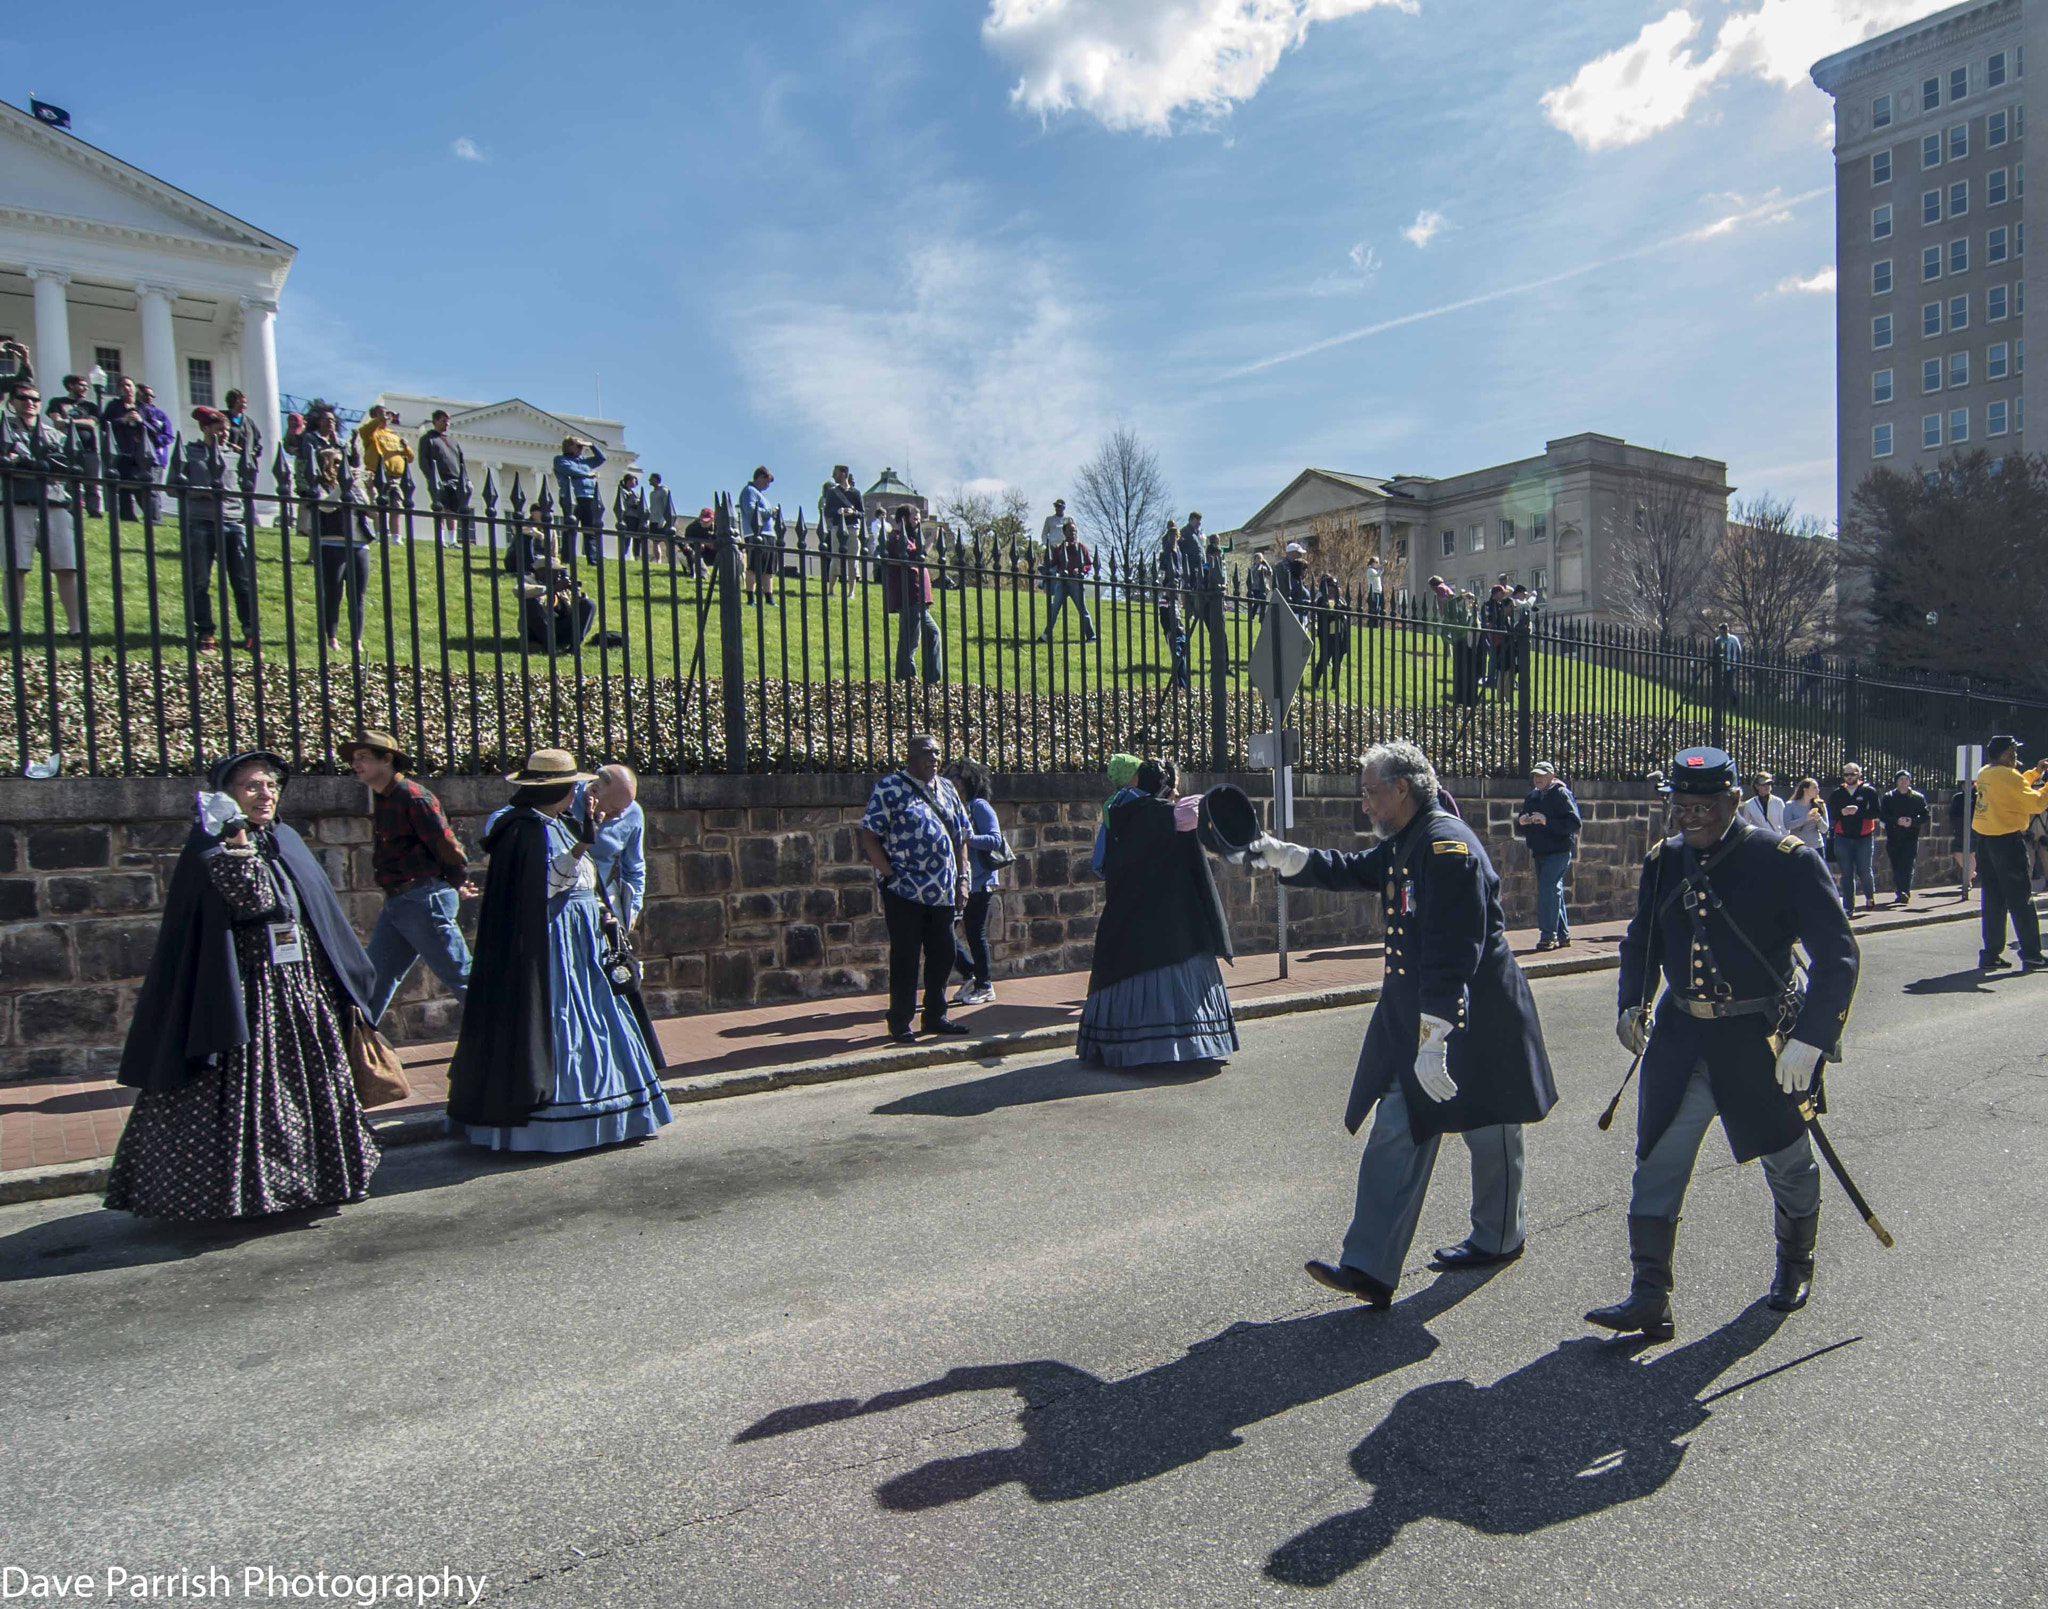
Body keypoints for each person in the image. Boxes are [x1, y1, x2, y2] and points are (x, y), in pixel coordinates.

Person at [1246, 740, 1557, 1306]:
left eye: (1369, 791)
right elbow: (1352, 869)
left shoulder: (1445, 848)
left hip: (1474, 1016)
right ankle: (1368, 1264)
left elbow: (1453, 948)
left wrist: (1435, 1037)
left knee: (1491, 1129)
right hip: (1429, 1012)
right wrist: (1279, 855)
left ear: (1401, 789)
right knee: (1400, 1122)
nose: (1363, 803)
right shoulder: (1407, 841)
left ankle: (1500, 1236)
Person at [1588, 746, 1859, 1338]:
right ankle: (1648, 1293)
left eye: (1704, 806)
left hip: (1760, 1038)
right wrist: (1631, 1003)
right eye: (1681, 806)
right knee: (1657, 1160)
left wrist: (1812, 1039)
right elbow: (1643, 942)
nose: (1691, 818)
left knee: (1787, 1157)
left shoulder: (1785, 859)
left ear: (1735, 800)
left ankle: (1794, 1265)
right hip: (1683, 1036)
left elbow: (1838, 954)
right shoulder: (1666, 860)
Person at [105, 750, 381, 1220]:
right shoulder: (212, 845)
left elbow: (312, 911)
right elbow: (253, 904)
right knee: (251, 1095)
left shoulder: (284, 838)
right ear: (226, 797)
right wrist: (235, 846)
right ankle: (243, 1194)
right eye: (251, 787)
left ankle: (309, 1183)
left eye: (270, 786)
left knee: (306, 1089)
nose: (265, 794)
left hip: (298, 986)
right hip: (245, 991)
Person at [447, 750, 674, 1152]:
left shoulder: (560, 823)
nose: (576, 794)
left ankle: (614, 1108)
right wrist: (582, 845)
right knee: (560, 1018)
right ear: (557, 790)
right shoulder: (520, 828)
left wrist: (607, 914)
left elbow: (590, 881)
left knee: (601, 1017)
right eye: (571, 787)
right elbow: (544, 885)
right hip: (551, 942)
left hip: (584, 939)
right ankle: (558, 1117)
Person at [1079, 758, 1238, 1068]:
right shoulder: (1164, 814)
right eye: (1174, 787)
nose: (1177, 793)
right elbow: (1200, 810)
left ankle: (1116, 1043)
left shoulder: (1117, 811)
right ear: (1165, 787)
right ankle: (1174, 1045)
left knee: (1123, 970)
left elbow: (1102, 863)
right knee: (1174, 972)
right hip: (1169, 918)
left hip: (1125, 912)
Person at [344, 730, 479, 1027]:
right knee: (374, 980)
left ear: (387, 759)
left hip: (423, 898)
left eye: (363, 758)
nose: (356, 764)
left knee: (462, 978)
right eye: (354, 759)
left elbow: (446, 844)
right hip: (400, 902)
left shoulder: (413, 797)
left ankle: (507, 1045)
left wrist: (457, 881)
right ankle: (358, 1049)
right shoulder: (383, 798)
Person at [860, 733, 972, 1043]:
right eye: (926, 753)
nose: (934, 758)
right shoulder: (890, 789)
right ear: (910, 757)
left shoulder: (948, 789)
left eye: (937, 753)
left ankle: (935, 1015)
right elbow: (869, 835)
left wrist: (963, 879)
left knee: (944, 953)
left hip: (943, 892)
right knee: (906, 957)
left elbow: (962, 836)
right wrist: (889, 874)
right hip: (905, 892)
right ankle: (900, 1021)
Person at [0, 376, 83, 637]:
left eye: (35, 399)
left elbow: (65, 463)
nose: (30, 403)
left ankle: (75, 628)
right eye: (23, 398)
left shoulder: (53, 433)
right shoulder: (5, 430)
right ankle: (15, 627)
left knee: (66, 567)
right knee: (16, 567)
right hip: (17, 502)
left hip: (54, 503)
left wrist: (27, 461)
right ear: (12, 402)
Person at [174, 407, 257, 653]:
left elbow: (246, 487)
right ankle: (206, 631)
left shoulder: (235, 455)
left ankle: (251, 632)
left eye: (227, 430)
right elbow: (173, 487)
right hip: (201, 522)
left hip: (232, 522)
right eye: (219, 429)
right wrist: (204, 491)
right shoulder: (189, 453)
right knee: (200, 581)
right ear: (205, 428)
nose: (224, 434)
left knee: (242, 580)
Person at [1971, 735, 2048, 973]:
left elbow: (2012, 789)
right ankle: (2032, 954)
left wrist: (2035, 773)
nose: (2016, 756)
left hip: (1986, 841)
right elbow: (2035, 803)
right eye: (2013, 751)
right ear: (2005, 754)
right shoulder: (2009, 776)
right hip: (2007, 842)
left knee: (1993, 899)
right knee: (2021, 900)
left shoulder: (1986, 772)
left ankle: (1991, 954)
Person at [944, 758, 1005, 1007]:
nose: (953, 781)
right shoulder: (952, 806)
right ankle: (971, 973)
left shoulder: (978, 806)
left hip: (980, 881)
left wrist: (968, 838)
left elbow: (995, 839)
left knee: (975, 933)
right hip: (960, 879)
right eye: (950, 776)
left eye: (958, 776)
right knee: (944, 930)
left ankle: (984, 984)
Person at [307, 443, 373, 653]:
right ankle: (332, 638)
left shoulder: (354, 487)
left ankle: (357, 640)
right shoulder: (317, 484)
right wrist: (341, 487)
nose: (340, 466)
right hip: (332, 543)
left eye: (342, 462)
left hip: (359, 543)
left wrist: (368, 489)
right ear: (325, 464)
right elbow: (326, 506)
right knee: (333, 593)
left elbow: (373, 514)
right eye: (336, 462)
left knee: (358, 596)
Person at [1517, 762, 1581, 950]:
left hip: (1558, 851)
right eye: (1535, 775)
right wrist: (1522, 822)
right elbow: (1522, 823)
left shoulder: (1561, 794)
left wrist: (1547, 821)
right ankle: (1562, 935)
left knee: (1548, 889)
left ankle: (1548, 936)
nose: (1538, 778)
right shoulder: (1532, 796)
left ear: (1552, 776)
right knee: (1553, 891)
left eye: (1542, 775)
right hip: (1540, 851)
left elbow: (1574, 823)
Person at [578, 764, 645, 933]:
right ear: (593, 790)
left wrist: (633, 908)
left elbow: (634, 866)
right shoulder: (566, 799)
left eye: (625, 808)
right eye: (614, 809)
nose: (620, 815)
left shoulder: (633, 814)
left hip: (598, 906)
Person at [883, 505, 942, 683]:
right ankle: (906, 680)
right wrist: (931, 540)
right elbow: (917, 556)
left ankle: (931, 680)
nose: (917, 523)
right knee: (910, 641)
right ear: (903, 518)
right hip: (910, 597)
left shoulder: (906, 539)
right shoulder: (897, 538)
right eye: (915, 519)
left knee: (932, 634)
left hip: (917, 598)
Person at [1827, 762, 1882, 916]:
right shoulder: (1838, 793)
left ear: (1859, 774)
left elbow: (1876, 812)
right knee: (1846, 873)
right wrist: (1842, 812)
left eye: (1852, 774)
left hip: (1864, 837)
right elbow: (1831, 813)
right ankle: (1848, 907)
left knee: (1864, 871)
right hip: (1842, 837)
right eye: (1846, 774)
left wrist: (1858, 811)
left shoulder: (1868, 791)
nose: (1849, 777)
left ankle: (1869, 896)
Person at [45, 373, 103, 516]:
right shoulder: (57, 402)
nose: (85, 388)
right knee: (70, 482)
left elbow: (91, 423)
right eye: (81, 385)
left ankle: (93, 510)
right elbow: (57, 423)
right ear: (71, 385)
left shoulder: (90, 406)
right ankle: (72, 508)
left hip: (89, 448)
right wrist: (76, 423)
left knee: (92, 482)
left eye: (86, 386)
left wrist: (70, 422)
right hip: (67, 448)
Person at [354, 405, 412, 543]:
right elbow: (363, 431)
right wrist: (378, 420)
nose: (386, 417)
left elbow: (410, 457)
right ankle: (381, 535)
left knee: (396, 506)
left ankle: (396, 537)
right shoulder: (371, 432)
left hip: (395, 477)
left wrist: (406, 447)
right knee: (379, 506)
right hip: (375, 474)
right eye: (382, 414)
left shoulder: (394, 435)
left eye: (387, 414)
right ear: (374, 416)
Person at [103, 375, 153, 521]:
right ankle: (127, 516)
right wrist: (123, 420)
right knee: (124, 486)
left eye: (129, 385)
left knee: (143, 485)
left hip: (141, 452)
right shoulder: (114, 406)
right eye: (123, 386)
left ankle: (150, 515)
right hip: (122, 451)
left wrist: (140, 421)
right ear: (119, 389)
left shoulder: (144, 408)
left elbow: (154, 429)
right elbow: (105, 424)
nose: (127, 388)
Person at [417, 409, 470, 547]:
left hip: (455, 478)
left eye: (448, 421)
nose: (446, 423)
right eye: (443, 420)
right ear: (435, 421)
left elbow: (461, 461)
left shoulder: (453, 441)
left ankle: (452, 540)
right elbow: (423, 460)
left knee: (452, 510)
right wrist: (430, 477)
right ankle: (440, 539)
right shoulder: (427, 439)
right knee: (439, 508)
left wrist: (466, 479)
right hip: (438, 478)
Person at [551, 436, 607, 563]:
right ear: (569, 447)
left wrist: (592, 445)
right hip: (572, 497)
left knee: (590, 528)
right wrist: (588, 474)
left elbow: (601, 458)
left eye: (582, 446)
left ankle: (592, 558)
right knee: (571, 527)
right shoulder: (560, 460)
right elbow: (570, 471)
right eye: (578, 446)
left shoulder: (584, 461)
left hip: (588, 497)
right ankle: (568, 558)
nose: (581, 449)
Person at [1042, 518, 1097, 642]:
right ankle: (1046, 634)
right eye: (1070, 530)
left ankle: (1091, 636)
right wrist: (1047, 566)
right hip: (1062, 582)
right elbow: (1054, 563)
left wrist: (1082, 569)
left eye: (1075, 531)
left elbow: (1089, 563)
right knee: (1054, 609)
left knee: (1082, 610)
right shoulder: (1059, 548)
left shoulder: (1081, 547)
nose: (1073, 533)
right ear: (1064, 532)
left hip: (1076, 583)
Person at [1882, 770, 1929, 906]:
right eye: (1901, 779)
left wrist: (1912, 821)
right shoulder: (1889, 797)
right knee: (1896, 865)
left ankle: (1905, 891)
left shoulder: (1917, 798)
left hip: (1911, 837)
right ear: (1896, 782)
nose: (1903, 782)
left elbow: (1926, 816)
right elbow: (1883, 815)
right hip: (1894, 836)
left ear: (1909, 781)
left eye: (1906, 779)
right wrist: (1896, 821)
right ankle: (1899, 890)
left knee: (1907, 864)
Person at [819, 464, 864, 593]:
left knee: (853, 559)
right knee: (835, 558)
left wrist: (852, 512)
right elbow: (827, 512)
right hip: (837, 527)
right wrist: (838, 511)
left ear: (843, 474)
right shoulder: (832, 492)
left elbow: (862, 513)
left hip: (852, 528)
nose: (833, 475)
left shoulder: (855, 493)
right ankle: (831, 589)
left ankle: (851, 592)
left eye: (836, 473)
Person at [737, 464, 778, 600]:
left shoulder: (761, 495)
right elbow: (751, 511)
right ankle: (750, 597)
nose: (767, 485)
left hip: (769, 534)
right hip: (756, 534)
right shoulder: (749, 491)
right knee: (754, 567)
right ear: (760, 477)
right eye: (766, 481)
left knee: (768, 569)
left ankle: (769, 597)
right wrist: (771, 511)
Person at [136, 381, 174, 517]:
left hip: (156, 457)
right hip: (136, 456)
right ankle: (149, 515)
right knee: (139, 489)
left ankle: (155, 517)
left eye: (151, 396)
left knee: (153, 489)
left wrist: (155, 439)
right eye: (145, 394)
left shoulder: (160, 415)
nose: (149, 398)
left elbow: (169, 436)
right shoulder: (134, 411)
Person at [1310, 573, 1350, 689]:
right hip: (1327, 635)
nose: (1335, 588)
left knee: (1337, 661)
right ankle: (1315, 682)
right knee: (1324, 659)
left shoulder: (1341, 601)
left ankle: (1334, 685)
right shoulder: (1321, 601)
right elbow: (1324, 617)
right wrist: (1335, 615)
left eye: (1336, 585)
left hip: (1340, 634)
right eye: (1332, 585)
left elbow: (1346, 614)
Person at [221, 388, 263, 469]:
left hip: (247, 465)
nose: (244, 405)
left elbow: (257, 442)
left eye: (245, 402)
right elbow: (215, 438)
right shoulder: (222, 418)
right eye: (240, 402)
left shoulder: (249, 422)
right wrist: (231, 446)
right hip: (228, 462)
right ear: (232, 402)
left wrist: (253, 452)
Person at [613, 468, 647, 559]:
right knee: (627, 538)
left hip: (636, 517)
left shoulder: (635, 493)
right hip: (628, 517)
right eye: (633, 481)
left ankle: (636, 555)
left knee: (637, 538)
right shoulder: (623, 492)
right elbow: (622, 505)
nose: (634, 483)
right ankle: (623, 554)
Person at [644, 472, 677, 563]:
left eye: (651, 478)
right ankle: (658, 561)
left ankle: (670, 561)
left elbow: (667, 506)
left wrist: (663, 519)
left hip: (663, 520)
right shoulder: (652, 493)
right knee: (655, 541)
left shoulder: (663, 491)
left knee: (667, 541)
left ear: (656, 479)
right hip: (653, 520)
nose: (649, 480)